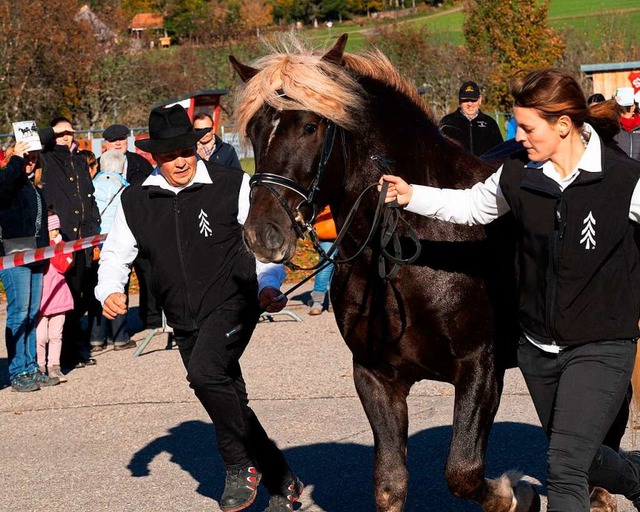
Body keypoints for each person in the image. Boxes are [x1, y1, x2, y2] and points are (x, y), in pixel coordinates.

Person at [380, 68, 640, 512]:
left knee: (563, 468)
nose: (518, 137)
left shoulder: (625, 179)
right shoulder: (517, 176)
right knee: (585, 458)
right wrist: (412, 196)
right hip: (539, 348)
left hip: (602, 343)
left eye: (527, 126)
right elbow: (470, 208)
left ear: (562, 125)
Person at [95, 105, 302, 512]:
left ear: (195, 147)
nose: (180, 162)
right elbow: (116, 252)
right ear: (156, 157)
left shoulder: (231, 183)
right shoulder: (137, 199)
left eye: (185, 152)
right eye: (170, 156)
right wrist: (109, 291)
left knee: (205, 374)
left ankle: (238, 465)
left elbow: (264, 237)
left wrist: (267, 284)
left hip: (234, 302)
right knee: (227, 394)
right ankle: (282, 479)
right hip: (182, 315)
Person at [39, 116, 100, 369]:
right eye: (60, 133)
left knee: (82, 296)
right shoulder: (48, 157)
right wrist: (51, 135)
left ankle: (77, 347)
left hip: (84, 239)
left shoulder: (79, 160)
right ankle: (66, 355)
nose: (66, 136)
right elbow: (32, 140)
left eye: (70, 132)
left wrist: (95, 229)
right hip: (61, 241)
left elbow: (89, 197)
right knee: (66, 299)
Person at [0, 141, 60, 391]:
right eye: (26, 155)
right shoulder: (7, 180)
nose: (30, 160)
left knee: (33, 313)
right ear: (13, 156)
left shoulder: (33, 186)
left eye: (34, 156)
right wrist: (15, 160)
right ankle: (17, 371)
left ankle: (30, 367)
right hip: (13, 253)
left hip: (36, 254)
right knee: (19, 313)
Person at [100, 124, 161, 330]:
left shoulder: (139, 163)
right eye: (113, 140)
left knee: (148, 276)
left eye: (122, 139)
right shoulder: (100, 165)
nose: (118, 143)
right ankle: (117, 328)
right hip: (109, 232)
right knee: (116, 278)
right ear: (105, 144)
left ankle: (151, 318)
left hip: (140, 229)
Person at [89, 149, 134, 352]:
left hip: (93, 244)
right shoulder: (125, 188)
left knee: (98, 288)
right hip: (116, 241)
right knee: (118, 287)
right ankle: (119, 337)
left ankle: (96, 337)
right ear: (123, 167)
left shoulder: (93, 185)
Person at [36, 211, 73, 382]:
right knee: (41, 336)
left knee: (56, 335)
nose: (55, 233)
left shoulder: (62, 246)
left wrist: (54, 246)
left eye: (57, 229)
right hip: (42, 298)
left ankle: (54, 366)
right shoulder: (39, 247)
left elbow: (62, 266)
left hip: (59, 297)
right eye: (51, 230)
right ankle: (40, 366)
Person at [439, 80, 503, 157]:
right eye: (465, 100)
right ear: (459, 101)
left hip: (485, 168)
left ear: (480, 100)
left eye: (473, 100)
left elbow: (500, 152)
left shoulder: (490, 124)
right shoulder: (447, 123)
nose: (470, 104)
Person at [309, 206, 335, 316]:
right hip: (335, 231)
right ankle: (324, 302)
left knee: (328, 267)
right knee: (329, 267)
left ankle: (322, 302)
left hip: (333, 231)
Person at [614, 87, 640, 161]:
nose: (624, 110)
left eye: (627, 107)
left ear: (634, 106)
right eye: (623, 107)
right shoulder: (611, 127)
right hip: (618, 171)